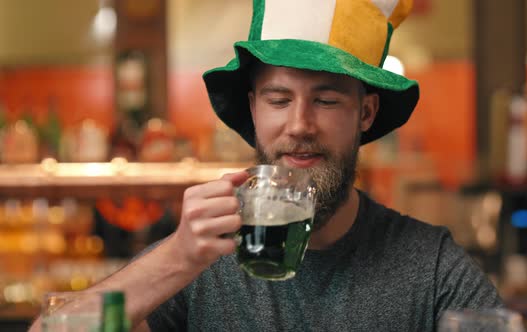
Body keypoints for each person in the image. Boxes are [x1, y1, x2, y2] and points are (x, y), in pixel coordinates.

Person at [30, 0, 502, 331]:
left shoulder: (429, 265)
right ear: (253, 109)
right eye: (279, 99)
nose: (300, 124)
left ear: (366, 113)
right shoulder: (198, 259)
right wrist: (177, 257)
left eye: (327, 99)